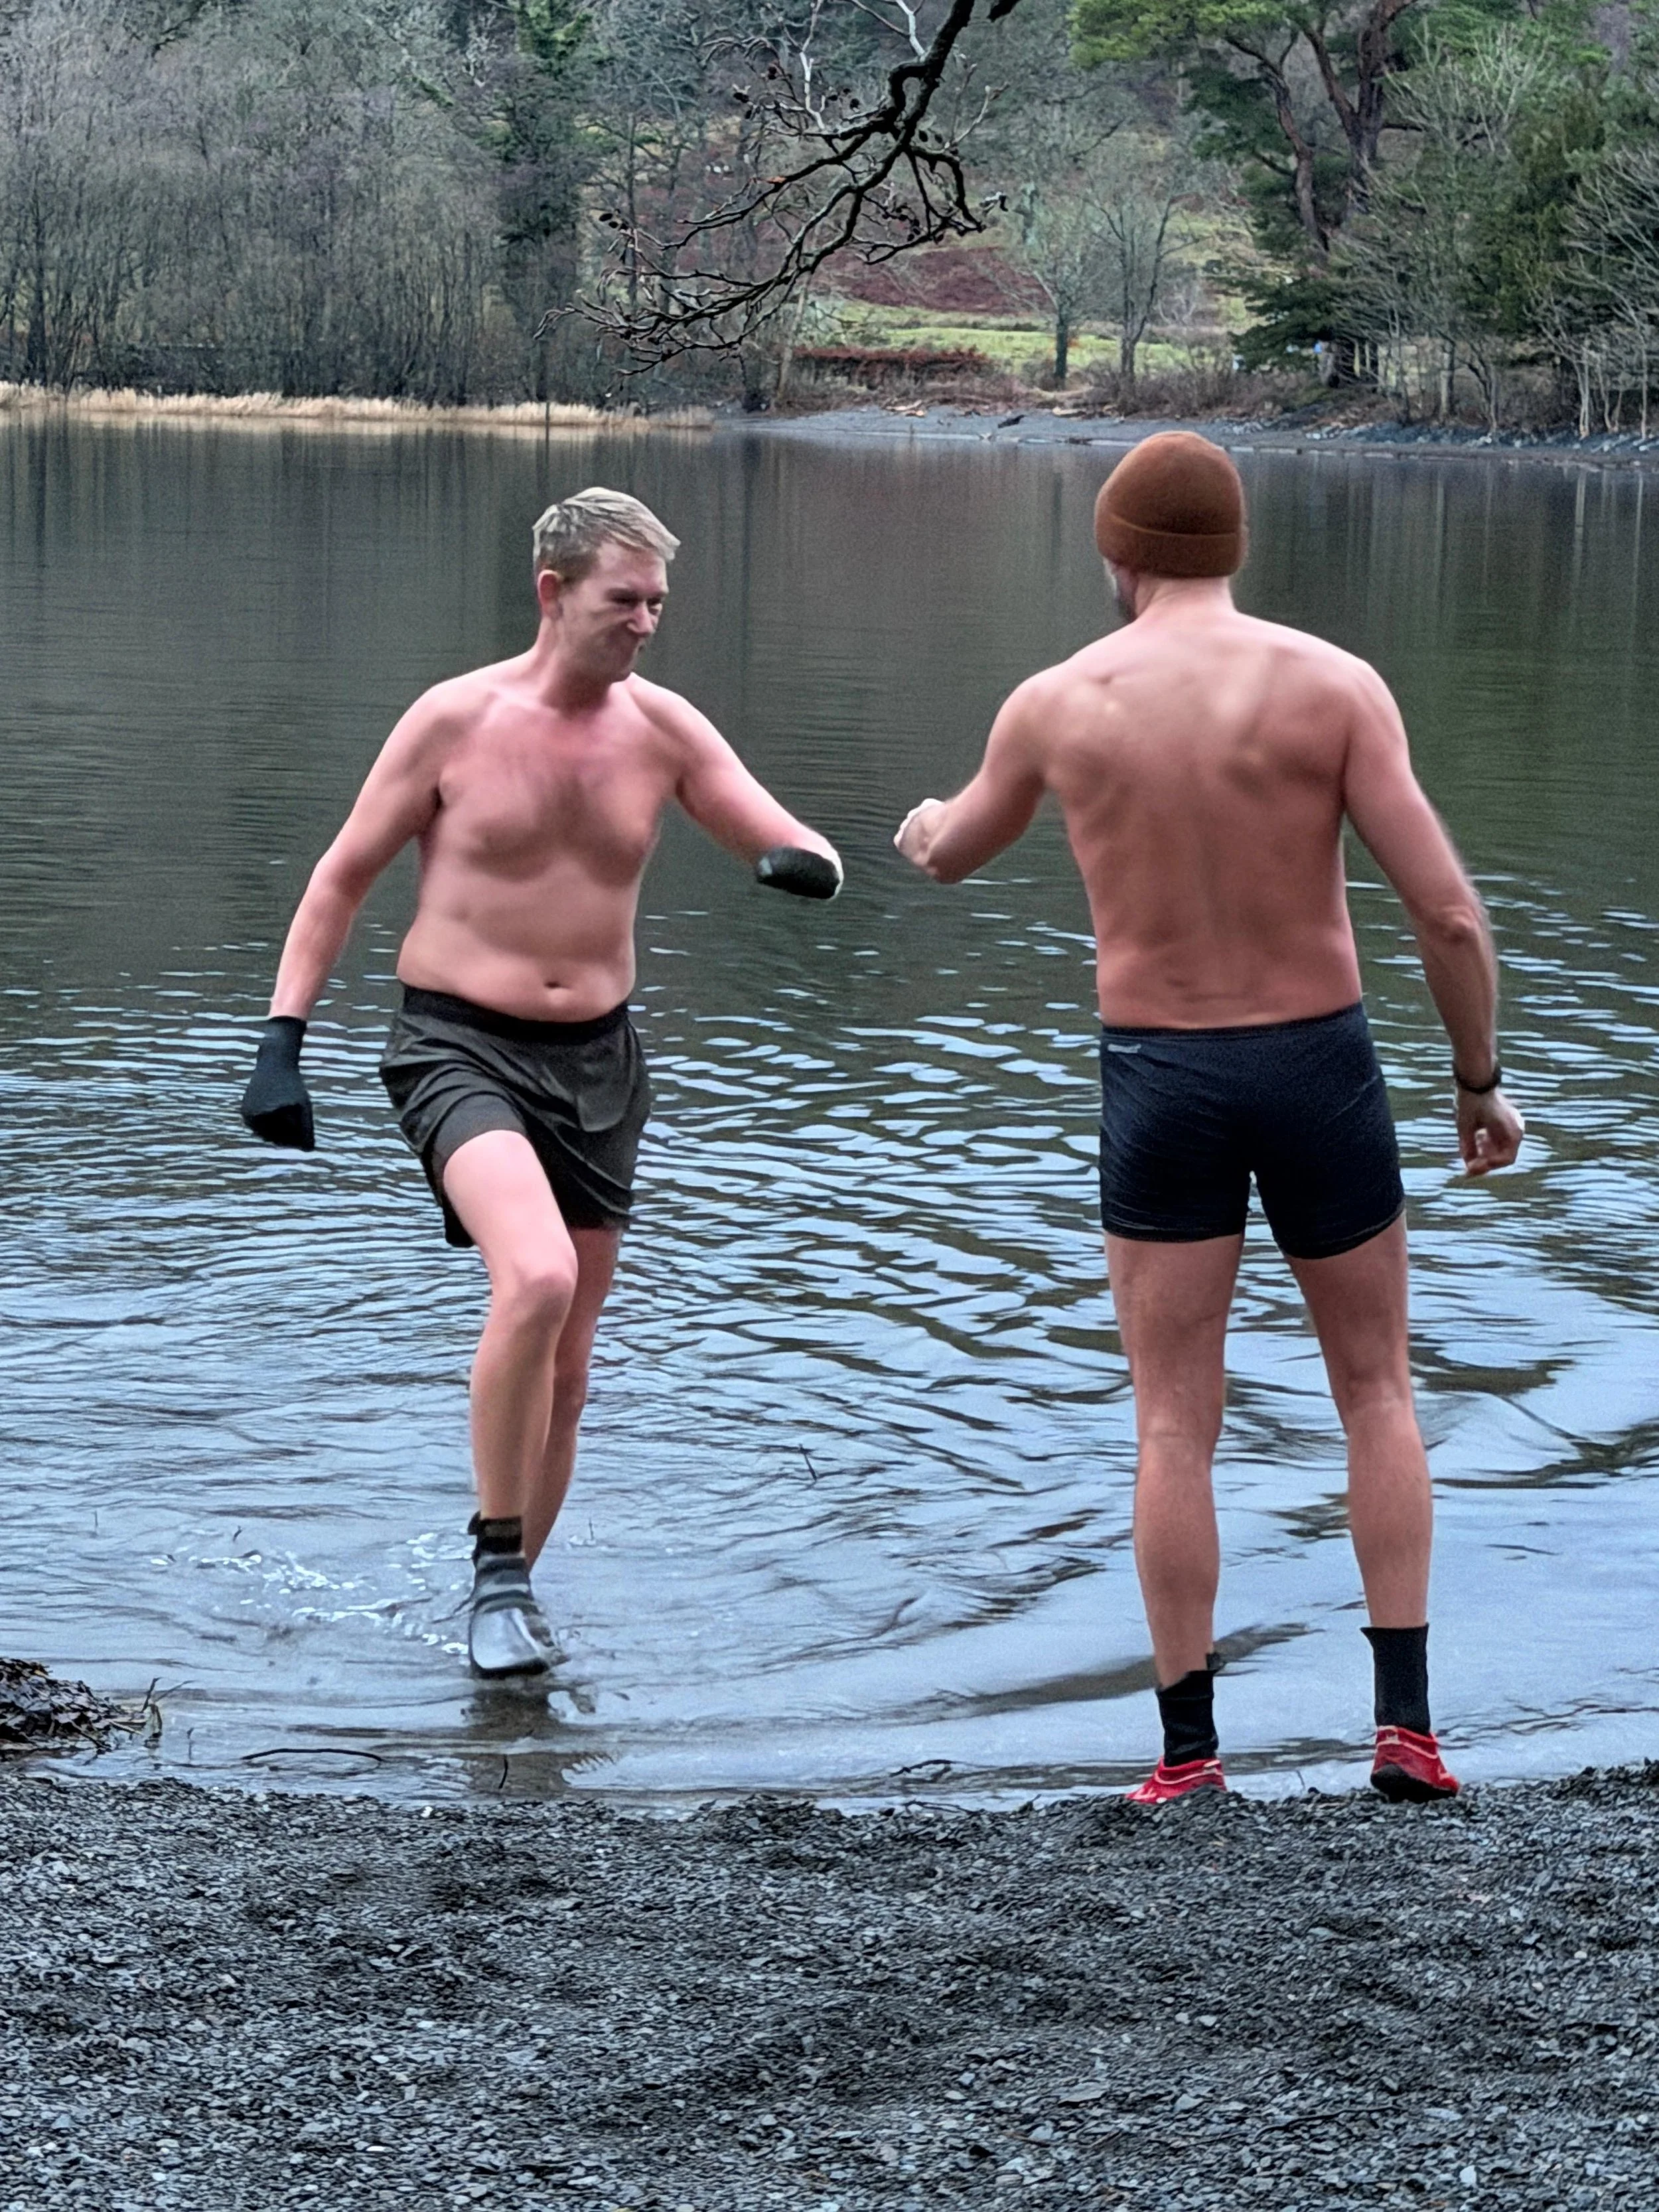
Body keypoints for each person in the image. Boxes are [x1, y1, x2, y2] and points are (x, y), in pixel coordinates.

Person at [895, 432, 1524, 1805]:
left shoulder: (1057, 702)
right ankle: (1404, 1733)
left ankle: (1187, 1758)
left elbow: (951, 853)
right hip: (1318, 1068)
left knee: (1172, 1423)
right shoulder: (1333, 687)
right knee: (1375, 1393)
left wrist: (920, 823)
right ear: (1231, 549)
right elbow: (1448, 914)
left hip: (1162, 1075)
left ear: (1115, 555)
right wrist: (1475, 1080)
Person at [240, 487, 841, 1680]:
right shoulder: (452, 721)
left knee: (569, 1366)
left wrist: (798, 865)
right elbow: (341, 877)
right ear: (554, 591)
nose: (647, 623)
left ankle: (507, 1607)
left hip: (602, 1065)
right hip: (456, 1047)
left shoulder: (664, 729)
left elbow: (790, 836)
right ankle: (498, 1566)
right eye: (626, 600)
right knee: (539, 1279)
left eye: (660, 603)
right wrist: (281, 1042)